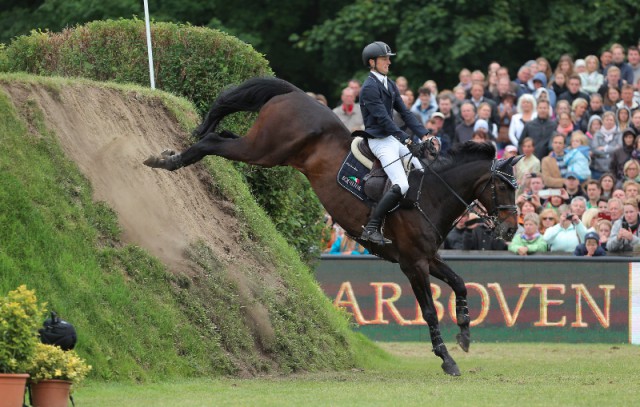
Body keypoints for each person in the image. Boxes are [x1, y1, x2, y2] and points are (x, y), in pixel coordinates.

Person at [358, 41, 436, 245]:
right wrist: (408, 139)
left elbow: (405, 112)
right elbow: (384, 119)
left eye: (388, 58)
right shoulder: (369, 88)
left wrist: (424, 135)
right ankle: (372, 227)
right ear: (372, 62)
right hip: (379, 142)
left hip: (392, 138)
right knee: (401, 184)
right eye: (385, 59)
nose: (389, 62)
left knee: (420, 171)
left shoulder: (389, 83)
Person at [590, 111, 622, 180]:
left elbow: (619, 149)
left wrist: (605, 148)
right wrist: (612, 149)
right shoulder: (597, 134)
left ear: (614, 121)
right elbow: (595, 149)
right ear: (603, 121)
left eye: (611, 120)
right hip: (598, 168)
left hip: (613, 168)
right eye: (607, 120)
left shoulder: (619, 134)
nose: (609, 122)